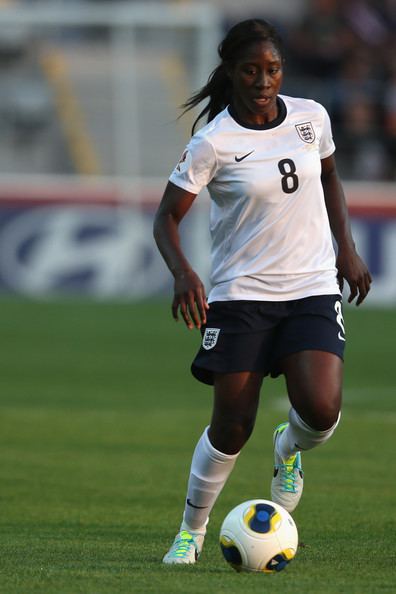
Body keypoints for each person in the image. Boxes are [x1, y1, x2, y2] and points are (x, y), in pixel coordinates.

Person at [153, 18, 371, 565]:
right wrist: (184, 273)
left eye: (271, 69)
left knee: (320, 409)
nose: (262, 79)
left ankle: (289, 448)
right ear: (231, 72)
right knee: (231, 425)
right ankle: (191, 531)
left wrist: (345, 247)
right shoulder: (213, 142)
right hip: (241, 294)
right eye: (250, 70)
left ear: (282, 69)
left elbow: (329, 179)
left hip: (312, 286)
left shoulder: (310, 118)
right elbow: (165, 218)